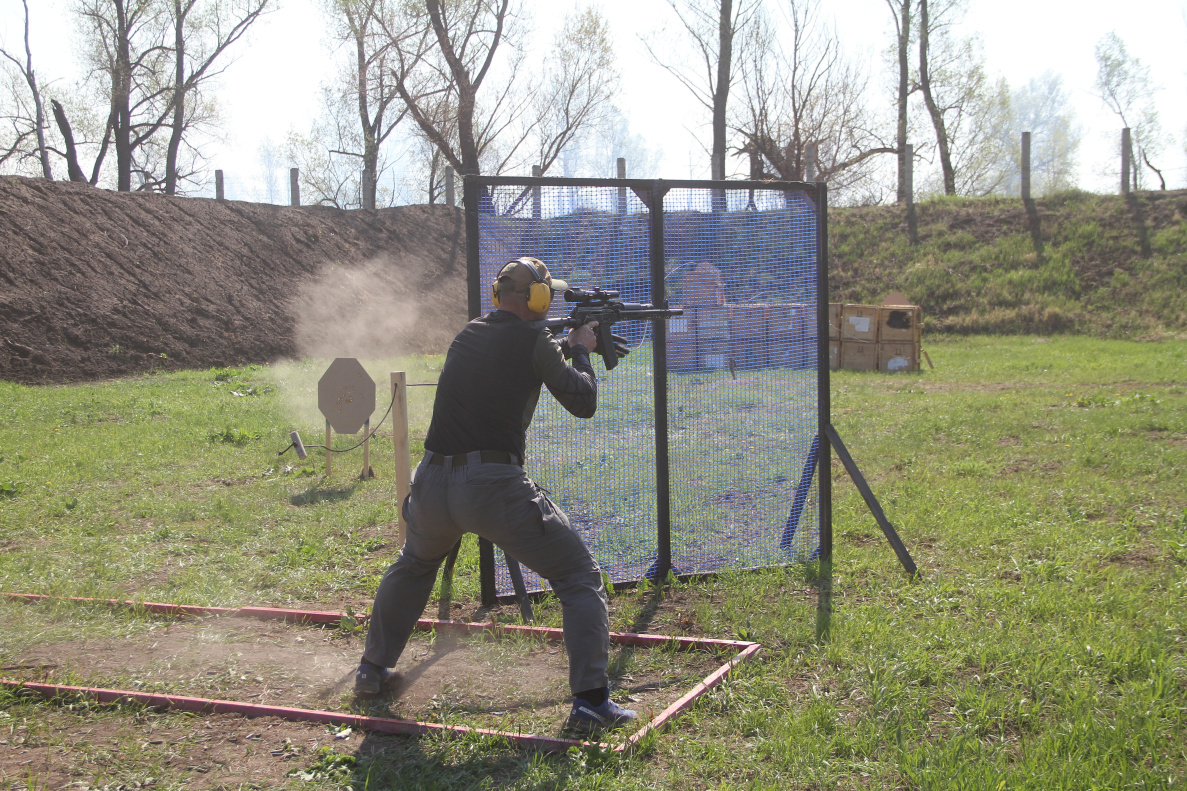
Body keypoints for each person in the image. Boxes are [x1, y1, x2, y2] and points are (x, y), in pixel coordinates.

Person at [354, 256, 637, 734]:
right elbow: (582, 402)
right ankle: (591, 704)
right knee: (578, 576)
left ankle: (372, 669)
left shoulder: (469, 333)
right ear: (539, 300)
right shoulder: (534, 340)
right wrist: (582, 349)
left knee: (414, 564)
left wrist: (559, 347)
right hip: (490, 487)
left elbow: (505, 372)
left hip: (431, 484)